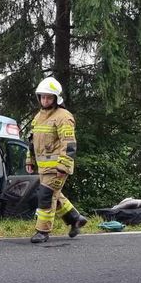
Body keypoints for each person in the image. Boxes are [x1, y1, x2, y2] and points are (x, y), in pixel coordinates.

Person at [29, 77, 89, 244]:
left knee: (45, 196)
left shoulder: (64, 116)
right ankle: (75, 219)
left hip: (57, 168)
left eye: (49, 97)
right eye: (42, 97)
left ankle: (43, 231)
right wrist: (30, 161)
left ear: (56, 98)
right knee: (55, 194)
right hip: (43, 168)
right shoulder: (38, 117)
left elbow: (69, 144)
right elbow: (31, 141)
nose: (45, 100)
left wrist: (63, 166)